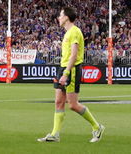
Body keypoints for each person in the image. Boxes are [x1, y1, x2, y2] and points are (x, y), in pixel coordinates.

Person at [38, 7, 105, 144]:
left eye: (60, 15)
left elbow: (74, 54)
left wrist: (66, 73)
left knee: (73, 104)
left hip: (71, 69)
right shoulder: (68, 32)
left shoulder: (74, 32)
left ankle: (97, 127)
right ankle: (55, 134)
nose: (58, 17)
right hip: (64, 67)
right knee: (58, 102)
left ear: (67, 17)